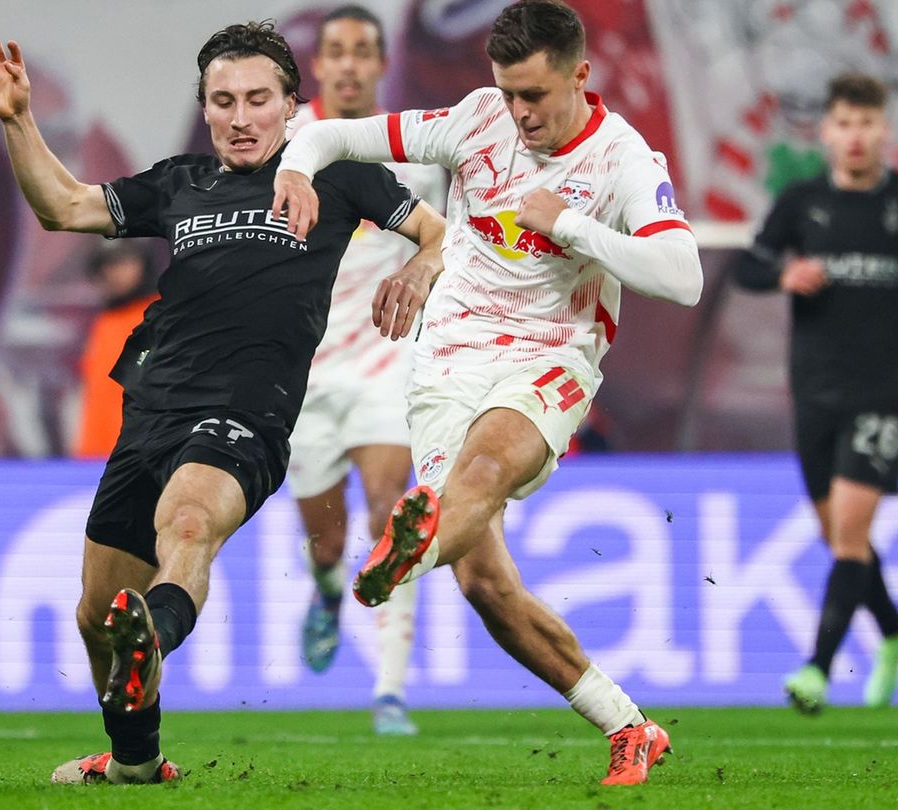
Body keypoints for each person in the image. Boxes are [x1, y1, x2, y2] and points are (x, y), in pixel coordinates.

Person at [0, 24, 446, 785]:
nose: (242, 116)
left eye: (259, 99)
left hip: (248, 415)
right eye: (224, 101)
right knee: (96, 612)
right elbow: (63, 207)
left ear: (293, 107)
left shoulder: (340, 175)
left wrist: (421, 269)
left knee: (188, 525)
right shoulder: (180, 182)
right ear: (207, 110)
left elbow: (438, 233)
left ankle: (151, 638)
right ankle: (135, 760)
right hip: (152, 411)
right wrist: (18, 120)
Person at [273, 0, 702, 786]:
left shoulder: (622, 159)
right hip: (448, 360)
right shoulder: (475, 120)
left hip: (549, 358)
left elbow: (683, 276)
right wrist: (297, 167)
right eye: (507, 93)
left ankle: (405, 555)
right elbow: (335, 132)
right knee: (483, 581)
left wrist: (573, 224)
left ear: (580, 74)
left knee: (482, 473)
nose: (519, 114)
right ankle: (629, 726)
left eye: (534, 96)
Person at [731, 72, 898, 714]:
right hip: (813, 392)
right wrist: (786, 272)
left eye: (867, 123)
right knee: (842, 538)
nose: (856, 136)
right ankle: (895, 630)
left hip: (882, 390)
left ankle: (816, 670)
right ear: (827, 132)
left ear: (885, 130)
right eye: (844, 123)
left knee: (847, 537)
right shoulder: (802, 202)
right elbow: (747, 266)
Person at [287, 4, 448, 736]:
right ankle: (325, 595)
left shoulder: (416, 157)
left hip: (389, 363)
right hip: (305, 375)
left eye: (362, 52)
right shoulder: (290, 148)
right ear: (318, 66)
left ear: (382, 64)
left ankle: (390, 690)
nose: (349, 64)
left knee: (393, 510)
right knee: (326, 539)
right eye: (336, 52)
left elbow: (449, 249)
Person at [72, 243, 158, 458]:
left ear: (143, 265)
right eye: (108, 265)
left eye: (124, 263)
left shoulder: (160, 316)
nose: (115, 273)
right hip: (96, 455)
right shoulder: (104, 322)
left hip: (144, 456)